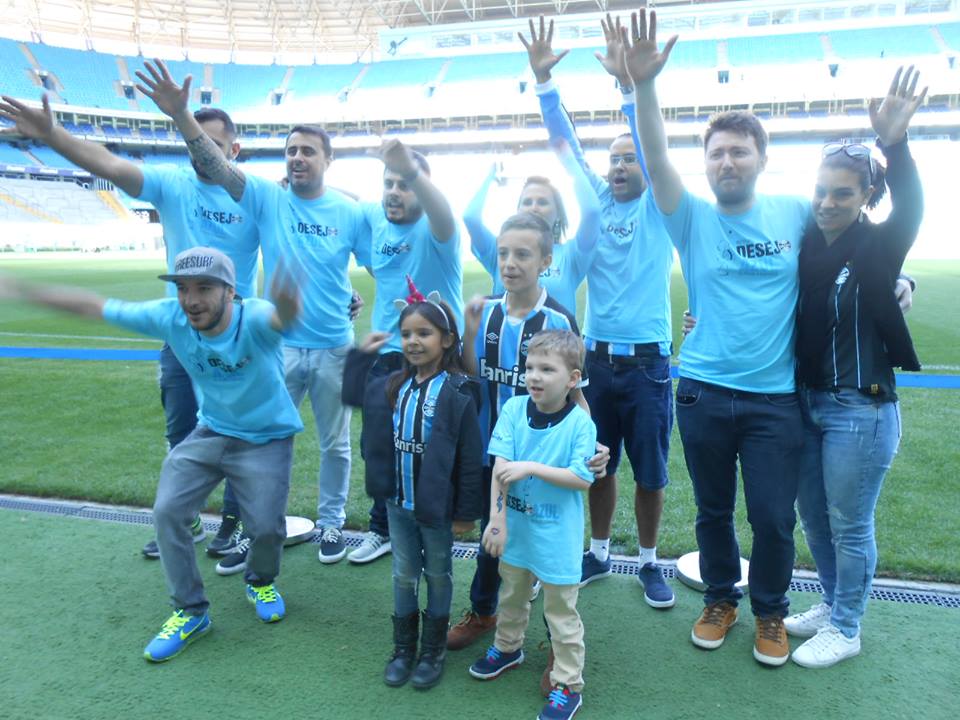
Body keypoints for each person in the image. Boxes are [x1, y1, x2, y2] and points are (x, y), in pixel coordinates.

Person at [0, 247, 303, 661]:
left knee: (266, 529)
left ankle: (260, 580)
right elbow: (96, 306)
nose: (191, 299)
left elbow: (280, 320)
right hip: (211, 430)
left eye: (204, 288)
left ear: (230, 293)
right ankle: (191, 611)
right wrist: (24, 291)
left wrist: (289, 303)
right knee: (167, 511)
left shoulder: (252, 319)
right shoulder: (171, 318)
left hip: (266, 438)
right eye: (183, 288)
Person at [622, 9, 811, 665]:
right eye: (716, 153)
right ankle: (721, 599)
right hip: (702, 391)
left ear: (761, 157)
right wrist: (644, 87)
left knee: (772, 518)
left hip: (775, 399)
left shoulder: (795, 209)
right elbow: (654, 156)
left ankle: (770, 614)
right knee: (712, 513)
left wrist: (893, 282)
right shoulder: (691, 218)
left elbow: (850, 250)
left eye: (739, 150)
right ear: (704, 165)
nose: (727, 160)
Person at [134, 60, 371, 566]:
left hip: (336, 343)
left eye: (308, 150)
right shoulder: (266, 198)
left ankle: (331, 525)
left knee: (335, 443)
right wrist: (182, 118)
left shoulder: (351, 212)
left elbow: (377, 265)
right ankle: (256, 530)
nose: (297, 158)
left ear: (329, 159)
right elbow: (218, 168)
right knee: (255, 439)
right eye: (290, 151)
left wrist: (355, 293)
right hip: (277, 345)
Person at [0, 92, 254, 560]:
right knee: (181, 433)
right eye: (194, 142)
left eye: (214, 144)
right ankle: (187, 517)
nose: (202, 152)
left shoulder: (252, 195)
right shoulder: (172, 184)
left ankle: (236, 525)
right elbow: (109, 164)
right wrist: (52, 134)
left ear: (233, 151)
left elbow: (291, 250)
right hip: (180, 335)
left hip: (238, 338)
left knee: (240, 435)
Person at [522, 16, 676, 606]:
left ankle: (649, 561)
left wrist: (630, 89)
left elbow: (647, 141)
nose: (618, 166)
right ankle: (601, 552)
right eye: (612, 159)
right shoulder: (594, 203)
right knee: (599, 465)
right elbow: (566, 146)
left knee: (652, 474)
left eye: (629, 158)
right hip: (599, 362)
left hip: (650, 364)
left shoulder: (659, 207)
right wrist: (543, 85)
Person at [786, 67, 926, 668]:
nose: (826, 201)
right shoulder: (805, 240)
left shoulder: (878, 244)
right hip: (806, 404)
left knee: (848, 521)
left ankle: (847, 626)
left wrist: (893, 143)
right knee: (812, 514)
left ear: (867, 196)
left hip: (860, 408)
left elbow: (913, 206)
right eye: (821, 190)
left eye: (842, 193)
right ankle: (830, 600)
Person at [448, 212, 605, 666]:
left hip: (545, 454)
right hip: (490, 446)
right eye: (503, 253)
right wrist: (471, 331)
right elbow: (473, 377)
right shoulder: (486, 312)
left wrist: (590, 445)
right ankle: (484, 612)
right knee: (492, 534)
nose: (510, 263)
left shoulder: (557, 319)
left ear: (545, 261)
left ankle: (557, 648)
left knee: (544, 539)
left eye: (522, 254)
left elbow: (577, 393)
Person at [345, 283, 482, 689]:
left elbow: (471, 460)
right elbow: (352, 394)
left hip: (437, 508)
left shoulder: (458, 392)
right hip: (397, 505)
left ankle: (432, 651)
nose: (414, 341)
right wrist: (362, 356)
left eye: (424, 333)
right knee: (404, 575)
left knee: (438, 574)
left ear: (447, 340)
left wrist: (464, 513)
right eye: (407, 334)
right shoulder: (393, 385)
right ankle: (403, 648)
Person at [468, 330, 597, 720]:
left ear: (572, 379)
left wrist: (532, 468)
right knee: (511, 595)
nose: (534, 376)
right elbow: (499, 470)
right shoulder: (512, 409)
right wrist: (496, 519)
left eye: (547, 369)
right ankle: (508, 647)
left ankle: (568, 684)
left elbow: (581, 478)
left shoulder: (580, 424)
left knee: (561, 613)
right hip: (516, 532)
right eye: (529, 368)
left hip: (558, 538)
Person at [350, 140, 464, 566]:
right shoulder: (375, 223)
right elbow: (346, 202)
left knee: (435, 447)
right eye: (389, 183)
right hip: (385, 357)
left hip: (436, 359)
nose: (394, 192)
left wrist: (412, 172)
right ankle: (382, 529)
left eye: (405, 184)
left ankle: (438, 527)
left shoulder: (439, 230)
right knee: (377, 446)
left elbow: (442, 212)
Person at [463, 151, 600, 315]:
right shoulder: (501, 250)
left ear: (557, 213)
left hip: (556, 340)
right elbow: (470, 217)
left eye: (542, 202)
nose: (534, 207)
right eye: (527, 202)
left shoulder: (571, 254)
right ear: (518, 210)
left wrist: (570, 162)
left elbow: (592, 211)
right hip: (507, 340)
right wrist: (490, 175)